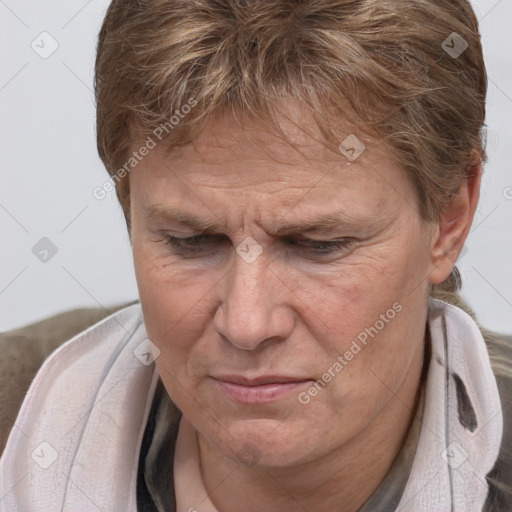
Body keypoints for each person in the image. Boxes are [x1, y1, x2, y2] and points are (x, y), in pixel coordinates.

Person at [1, 0, 511, 510]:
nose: (246, 325)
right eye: (190, 240)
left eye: (318, 246)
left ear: (449, 219)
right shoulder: (13, 413)